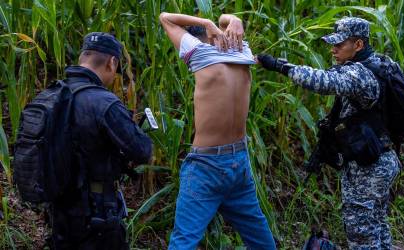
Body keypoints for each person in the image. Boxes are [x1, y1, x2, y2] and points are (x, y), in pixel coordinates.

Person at [257, 17, 401, 249]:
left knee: (363, 236)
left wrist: (279, 65)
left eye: (340, 44)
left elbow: (324, 81)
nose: (333, 49)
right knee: (378, 227)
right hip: (382, 159)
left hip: (369, 168)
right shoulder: (380, 64)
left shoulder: (360, 74)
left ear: (358, 45)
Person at [159, 12, 276, 249]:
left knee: (183, 242)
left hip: (207, 166)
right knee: (263, 243)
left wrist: (206, 23)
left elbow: (165, 18)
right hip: (238, 161)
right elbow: (227, 20)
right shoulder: (240, 50)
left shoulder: (199, 52)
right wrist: (233, 21)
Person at [49, 32, 152, 249]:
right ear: (112, 63)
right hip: (96, 212)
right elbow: (142, 150)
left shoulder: (51, 94)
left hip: (58, 209)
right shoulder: (104, 102)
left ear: (82, 58)